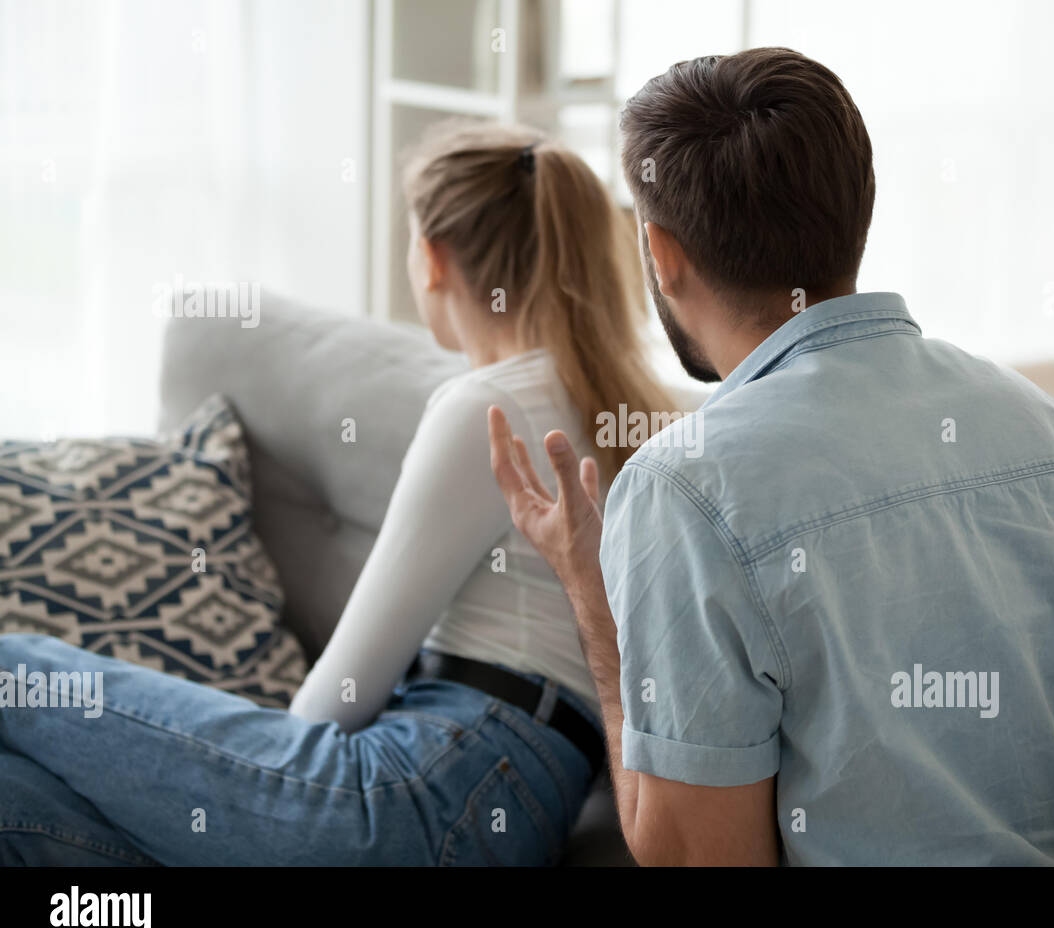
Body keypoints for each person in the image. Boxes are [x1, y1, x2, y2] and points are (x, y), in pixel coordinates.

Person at [488, 47, 1054, 866]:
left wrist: (591, 596)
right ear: (857, 212)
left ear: (660, 252)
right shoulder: (1045, 427)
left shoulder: (682, 487)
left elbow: (698, 856)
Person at [0, 120, 673, 866]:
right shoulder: (616, 403)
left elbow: (341, 693)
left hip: (430, 785)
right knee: (17, 807)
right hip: (503, 805)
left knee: (18, 671)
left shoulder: (485, 409)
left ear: (432, 259)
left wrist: (247, 775)